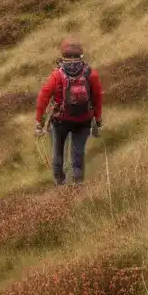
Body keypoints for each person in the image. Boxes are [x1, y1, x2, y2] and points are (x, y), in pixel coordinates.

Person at [34, 39, 103, 186]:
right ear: (81, 55)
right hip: (84, 119)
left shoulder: (57, 75)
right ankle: (78, 182)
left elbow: (43, 96)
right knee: (78, 151)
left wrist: (39, 121)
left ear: (63, 55)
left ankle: (60, 183)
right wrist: (97, 118)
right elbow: (97, 97)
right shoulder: (91, 73)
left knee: (58, 152)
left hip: (60, 120)